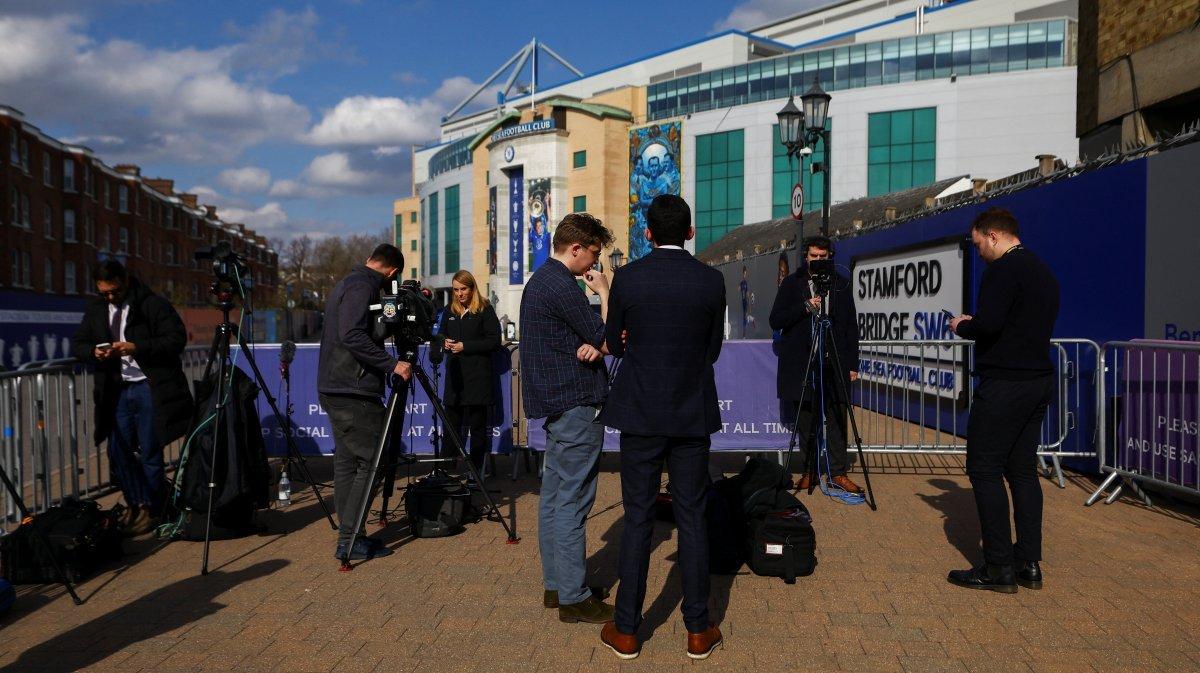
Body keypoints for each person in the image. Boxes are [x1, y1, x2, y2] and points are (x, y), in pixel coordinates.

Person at [597, 194, 726, 661]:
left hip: (641, 411)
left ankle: (627, 630)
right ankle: (698, 629)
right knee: (692, 517)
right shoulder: (711, 280)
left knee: (638, 518)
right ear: (689, 232)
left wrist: (629, 336)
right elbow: (713, 350)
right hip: (690, 411)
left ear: (647, 233)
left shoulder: (629, 278)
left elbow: (613, 344)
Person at [948, 207, 1059, 593]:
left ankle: (997, 567)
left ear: (993, 236)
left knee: (984, 470)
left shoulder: (1002, 271)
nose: (978, 252)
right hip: (1038, 381)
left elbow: (990, 325)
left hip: (1005, 384)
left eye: (979, 243)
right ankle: (1028, 562)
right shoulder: (1043, 271)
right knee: (1023, 470)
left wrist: (963, 325)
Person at [519, 212, 616, 624]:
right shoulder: (561, 285)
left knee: (556, 499)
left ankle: (558, 585)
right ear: (576, 248)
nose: (595, 262)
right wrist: (605, 292)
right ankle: (573, 597)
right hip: (576, 403)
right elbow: (609, 339)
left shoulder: (542, 280)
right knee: (573, 502)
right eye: (593, 253)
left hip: (558, 404)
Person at [71, 260, 192, 536]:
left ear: (125, 280)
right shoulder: (96, 309)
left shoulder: (153, 304)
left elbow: (176, 339)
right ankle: (138, 503)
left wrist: (137, 347)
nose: (110, 297)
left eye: (114, 291)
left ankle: (153, 509)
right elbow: (79, 344)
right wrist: (94, 352)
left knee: (150, 451)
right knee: (117, 450)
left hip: (148, 386)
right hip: (116, 389)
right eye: (104, 293)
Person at [317, 244, 412, 563]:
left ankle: (350, 536)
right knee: (374, 462)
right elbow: (352, 335)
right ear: (392, 272)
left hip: (337, 386)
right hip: (353, 389)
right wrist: (392, 364)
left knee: (348, 463)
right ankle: (350, 540)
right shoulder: (362, 286)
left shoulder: (348, 282)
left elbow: (361, 331)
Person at [769, 236, 862, 494]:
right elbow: (776, 320)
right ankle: (809, 471)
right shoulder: (792, 284)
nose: (818, 260)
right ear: (806, 257)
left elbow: (850, 327)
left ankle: (838, 473)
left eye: (823, 256)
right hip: (803, 364)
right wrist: (805, 307)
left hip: (834, 363)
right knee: (807, 421)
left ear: (830, 256)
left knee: (836, 418)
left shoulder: (840, 284)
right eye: (814, 256)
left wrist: (852, 364)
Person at [441, 269, 502, 487]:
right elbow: (440, 334)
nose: (459, 294)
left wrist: (465, 346)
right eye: (456, 290)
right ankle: (446, 472)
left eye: (463, 289)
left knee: (477, 429)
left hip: (478, 379)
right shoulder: (449, 310)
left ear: (472, 287)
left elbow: (494, 341)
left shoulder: (485, 309)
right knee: (451, 427)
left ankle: (476, 473)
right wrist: (444, 342)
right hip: (455, 380)